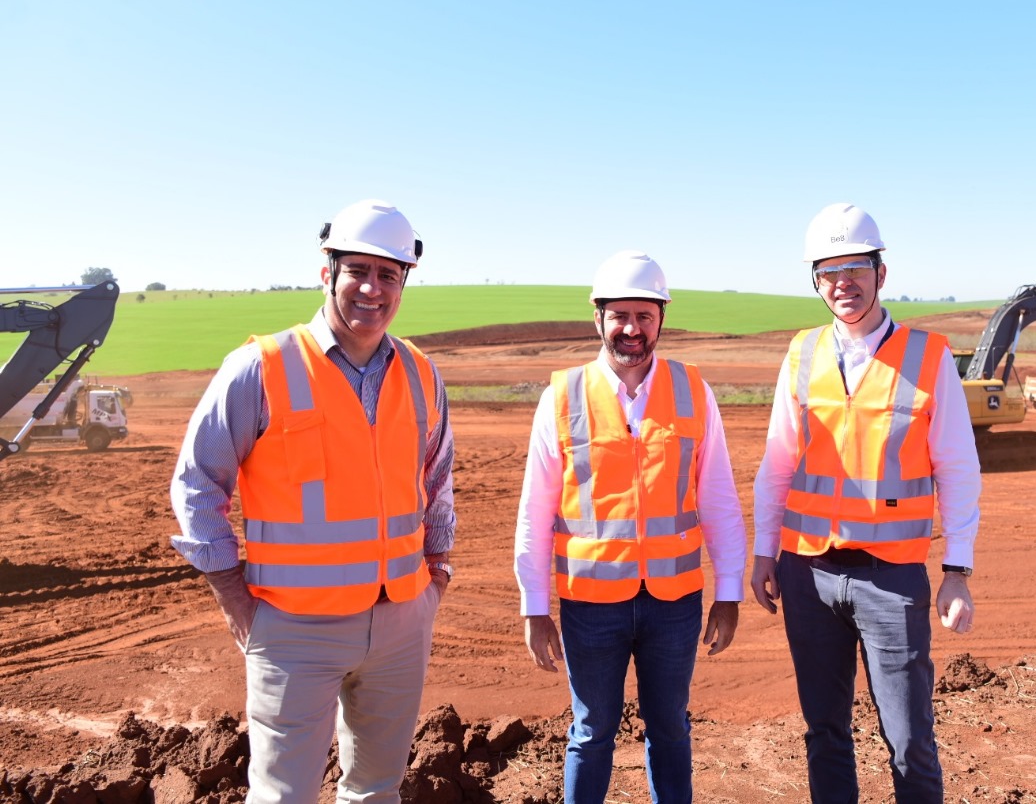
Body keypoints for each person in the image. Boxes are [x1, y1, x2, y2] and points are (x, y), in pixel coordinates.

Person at [170, 199, 456, 803]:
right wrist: (232, 595)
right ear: (327, 270)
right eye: (358, 270)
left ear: (404, 282)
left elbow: (437, 483)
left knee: (378, 790)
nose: (372, 288)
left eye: (389, 274)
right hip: (294, 626)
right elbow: (197, 483)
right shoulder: (261, 368)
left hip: (402, 620)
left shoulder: (423, 373)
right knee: (283, 796)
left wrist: (438, 580)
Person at [751, 203, 981, 803]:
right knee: (824, 732)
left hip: (892, 579)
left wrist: (956, 571)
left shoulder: (929, 357)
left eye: (855, 267)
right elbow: (777, 463)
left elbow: (956, 467)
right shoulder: (801, 354)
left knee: (908, 740)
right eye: (828, 272)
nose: (842, 283)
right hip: (808, 573)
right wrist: (763, 554)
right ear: (816, 283)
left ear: (882, 272)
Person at [514, 250, 747, 804]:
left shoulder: (694, 391)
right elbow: (535, 511)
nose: (632, 328)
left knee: (670, 730)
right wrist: (534, 607)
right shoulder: (562, 397)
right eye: (620, 315)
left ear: (661, 318)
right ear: (597, 317)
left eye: (644, 315)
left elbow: (717, 496)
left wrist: (729, 592)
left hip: (675, 602)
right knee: (591, 734)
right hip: (591, 605)